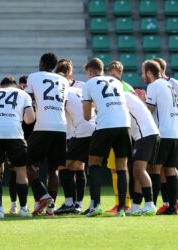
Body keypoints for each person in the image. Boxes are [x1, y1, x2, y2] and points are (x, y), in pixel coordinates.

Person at [0, 76, 35, 218]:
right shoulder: (23, 94)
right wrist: (17, 120)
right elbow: (31, 118)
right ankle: (23, 209)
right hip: (15, 134)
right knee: (21, 171)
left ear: (1, 86)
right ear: (14, 85)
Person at [82, 58, 131, 217]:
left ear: (90, 72)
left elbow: (86, 115)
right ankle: (122, 209)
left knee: (94, 163)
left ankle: (96, 205)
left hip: (105, 125)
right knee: (122, 166)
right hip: (124, 125)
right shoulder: (116, 81)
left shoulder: (88, 84)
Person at [25, 52, 69, 216]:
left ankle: (43, 195)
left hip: (43, 125)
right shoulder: (64, 80)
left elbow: (28, 100)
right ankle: (51, 208)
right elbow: (63, 103)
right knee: (53, 168)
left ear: (42, 63)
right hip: (61, 126)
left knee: (27, 162)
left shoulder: (34, 76)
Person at [141, 60, 178, 215]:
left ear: (149, 72)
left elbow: (150, 109)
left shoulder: (153, 86)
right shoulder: (168, 84)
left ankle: (151, 204)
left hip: (163, 133)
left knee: (154, 168)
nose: (142, 75)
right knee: (170, 169)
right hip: (176, 132)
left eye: (143, 72)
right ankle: (173, 207)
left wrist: (140, 102)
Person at [53, 61, 95, 215]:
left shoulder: (62, 90)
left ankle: (70, 203)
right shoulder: (82, 87)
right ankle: (78, 203)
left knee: (63, 165)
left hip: (77, 131)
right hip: (89, 128)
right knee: (79, 166)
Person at [153, 58, 178, 214]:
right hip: (172, 130)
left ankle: (177, 202)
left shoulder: (173, 83)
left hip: (176, 129)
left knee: (167, 168)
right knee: (166, 169)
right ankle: (168, 204)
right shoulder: (163, 86)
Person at [123, 91, 160, 216]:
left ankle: (150, 204)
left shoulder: (122, 97)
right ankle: (136, 205)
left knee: (139, 169)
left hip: (145, 135)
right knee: (136, 170)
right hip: (148, 134)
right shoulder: (128, 96)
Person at [104, 61, 133, 214]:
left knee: (122, 168)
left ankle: (126, 203)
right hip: (113, 130)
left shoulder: (126, 88)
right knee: (114, 169)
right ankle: (118, 203)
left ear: (120, 74)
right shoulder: (107, 87)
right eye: (109, 74)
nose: (111, 76)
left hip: (122, 131)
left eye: (114, 74)